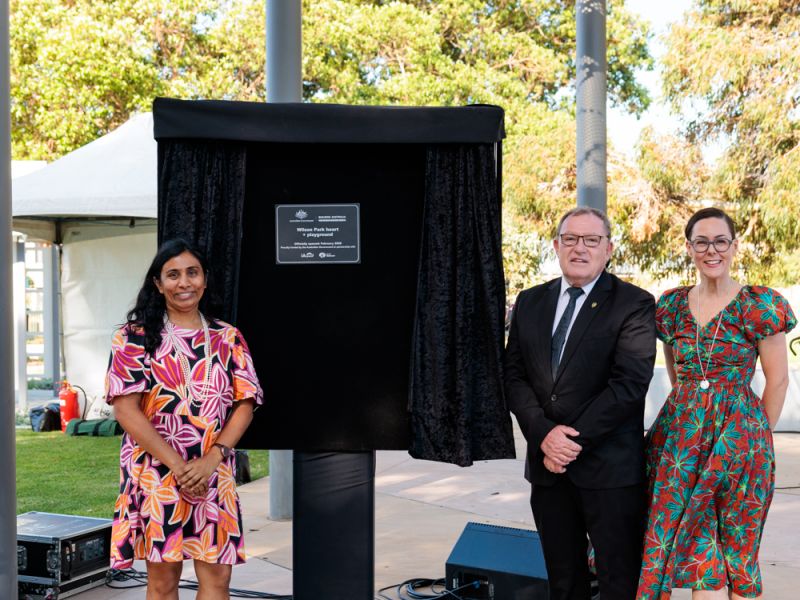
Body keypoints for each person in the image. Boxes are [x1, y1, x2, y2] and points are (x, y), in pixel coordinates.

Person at [637, 207, 796, 599]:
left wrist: (753, 437)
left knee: (738, 554)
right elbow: (679, 374)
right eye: (702, 242)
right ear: (689, 248)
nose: (712, 250)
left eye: (721, 241)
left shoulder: (759, 304)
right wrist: (695, 412)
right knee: (698, 555)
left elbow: (777, 380)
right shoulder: (671, 306)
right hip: (681, 444)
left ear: (734, 246)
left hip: (741, 442)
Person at [505, 206, 656, 600]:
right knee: (563, 582)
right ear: (556, 246)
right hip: (548, 471)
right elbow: (514, 377)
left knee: (619, 583)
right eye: (570, 239)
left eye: (591, 239)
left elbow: (628, 385)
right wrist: (544, 435)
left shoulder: (633, 303)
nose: (580, 248)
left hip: (610, 472)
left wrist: (567, 443)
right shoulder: (530, 302)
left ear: (608, 249)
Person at [105, 239, 263, 600]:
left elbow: (246, 403)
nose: (184, 283)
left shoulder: (227, 337)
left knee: (218, 578)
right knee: (163, 582)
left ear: (204, 279)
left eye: (192, 273)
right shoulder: (132, 338)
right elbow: (126, 410)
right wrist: (179, 467)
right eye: (173, 275)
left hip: (213, 471)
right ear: (158, 284)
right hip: (157, 472)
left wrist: (211, 460)